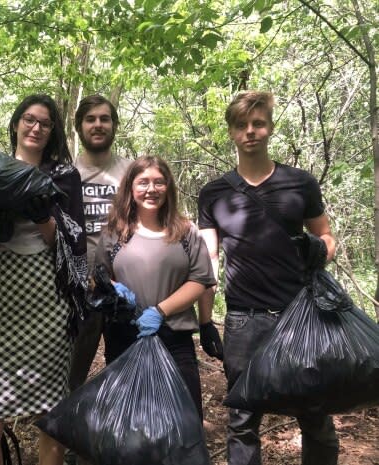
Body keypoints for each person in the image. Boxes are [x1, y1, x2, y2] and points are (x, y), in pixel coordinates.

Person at [197, 91, 339, 465]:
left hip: (301, 315)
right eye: (242, 125)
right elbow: (208, 257)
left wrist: (321, 250)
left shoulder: (300, 183)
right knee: (243, 419)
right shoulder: (213, 193)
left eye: (258, 123)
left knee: (315, 413)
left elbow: (327, 235)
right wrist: (204, 319)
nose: (251, 132)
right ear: (231, 132)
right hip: (244, 319)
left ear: (270, 128)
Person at [0, 94, 87, 465]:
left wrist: (42, 216)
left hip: (47, 300)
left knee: (49, 417)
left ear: (52, 132)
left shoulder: (64, 177)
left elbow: (73, 241)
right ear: (17, 123)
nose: (36, 128)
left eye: (45, 123)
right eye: (29, 120)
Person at [94, 155, 217, 420]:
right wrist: (114, 288)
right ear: (131, 188)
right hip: (124, 338)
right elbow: (99, 277)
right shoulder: (114, 232)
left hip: (174, 339)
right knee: (126, 423)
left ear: (168, 187)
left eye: (159, 182)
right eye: (143, 182)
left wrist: (160, 311)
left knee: (183, 421)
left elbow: (200, 280)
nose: (151, 189)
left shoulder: (186, 231)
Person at [68, 94, 132, 392]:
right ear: (79, 126)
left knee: (127, 371)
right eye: (90, 119)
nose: (98, 125)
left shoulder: (132, 173)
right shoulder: (66, 174)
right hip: (78, 292)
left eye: (104, 119)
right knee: (69, 376)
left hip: (125, 288)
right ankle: (61, 433)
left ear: (114, 125)